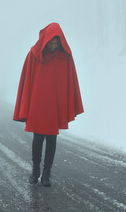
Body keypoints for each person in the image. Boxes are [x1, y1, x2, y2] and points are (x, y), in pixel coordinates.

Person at [13, 22, 84, 187]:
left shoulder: (65, 57)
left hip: (55, 104)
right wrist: (27, 104)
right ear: (45, 41)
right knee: (38, 137)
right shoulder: (33, 55)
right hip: (38, 104)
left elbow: (69, 81)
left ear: (61, 42)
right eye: (51, 43)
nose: (53, 46)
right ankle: (35, 170)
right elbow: (27, 81)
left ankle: (46, 174)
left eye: (56, 43)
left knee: (52, 138)